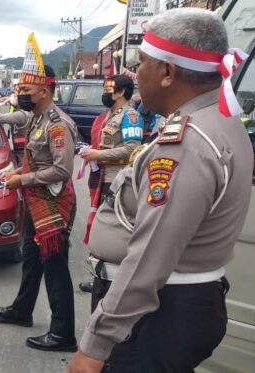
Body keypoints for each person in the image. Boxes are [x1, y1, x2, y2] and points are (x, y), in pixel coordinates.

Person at [67, 8, 252, 373]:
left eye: (142, 64)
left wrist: (95, 344)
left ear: (167, 73)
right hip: (176, 306)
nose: (137, 76)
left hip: (157, 313)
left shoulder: (187, 143)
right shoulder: (219, 120)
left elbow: (150, 257)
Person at [0, 33, 78, 353]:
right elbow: (35, 161)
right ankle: (22, 311)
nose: (20, 94)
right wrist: (17, 173)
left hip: (53, 204)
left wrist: (22, 181)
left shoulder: (57, 124)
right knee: (31, 259)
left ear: (43, 90)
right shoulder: (36, 118)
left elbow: (62, 170)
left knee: (55, 268)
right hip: (36, 200)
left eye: (25, 90)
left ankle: (63, 333)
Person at [77, 75, 142, 293]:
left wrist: (99, 154)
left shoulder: (131, 116)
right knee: (100, 228)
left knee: (115, 231)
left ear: (121, 92)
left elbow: (132, 149)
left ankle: (117, 280)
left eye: (109, 88)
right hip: (103, 178)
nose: (105, 92)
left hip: (117, 179)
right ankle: (99, 277)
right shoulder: (108, 116)